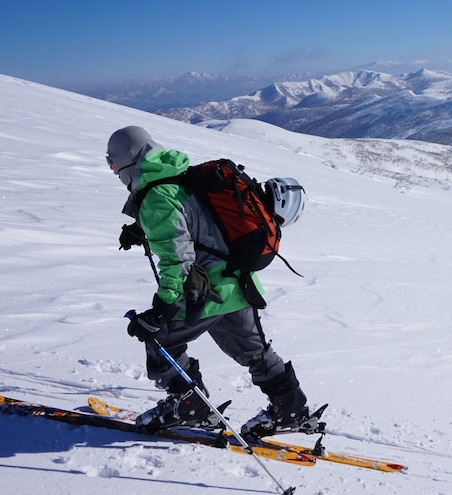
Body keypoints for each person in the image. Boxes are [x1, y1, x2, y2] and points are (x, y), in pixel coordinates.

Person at [106, 125, 311, 437]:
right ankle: (292, 410)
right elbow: (195, 220)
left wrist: (161, 311)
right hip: (237, 283)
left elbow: (178, 259)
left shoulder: (156, 196)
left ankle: (192, 408)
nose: (112, 169)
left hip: (204, 292)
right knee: (256, 353)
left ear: (127, 159)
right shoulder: (178, 175)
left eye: (111, 162)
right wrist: (142, 228)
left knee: (160, 342)